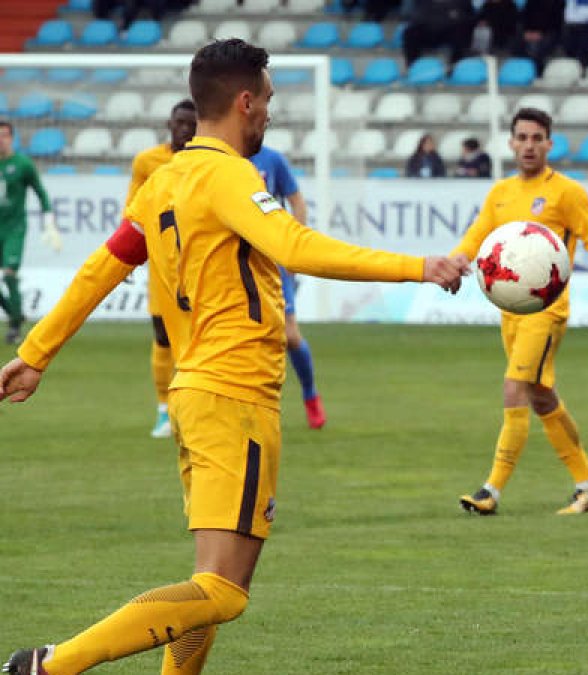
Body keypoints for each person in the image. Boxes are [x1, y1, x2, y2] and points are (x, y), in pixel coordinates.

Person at [0, 38, 468, 675]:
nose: (270, 113)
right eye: (268, 100)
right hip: (235, 394)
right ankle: (50, 665)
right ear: (245, 102)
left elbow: (103, 266)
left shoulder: (163, 181)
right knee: (223, 593)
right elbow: (296, 246)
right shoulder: (229, 176)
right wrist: (419, 266)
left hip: (196, 393)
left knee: (203, 589)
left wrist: (35, 353)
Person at [453, 107, 588, 517]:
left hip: (546, 312)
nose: (529, 145)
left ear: (549, 144)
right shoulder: (500, 194)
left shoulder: (566, 193)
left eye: (537, 138)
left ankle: (490, 490)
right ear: (511, 142)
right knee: (541, 396)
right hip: (509, 311)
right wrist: (445, 266)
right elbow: (475, 239)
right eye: (522, 137)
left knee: (514, 388)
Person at [126, 99, 198, 438]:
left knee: (197, 336)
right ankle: (162, 410)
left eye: (190, 123)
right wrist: (125, 258)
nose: (184, 128)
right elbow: (133, 211)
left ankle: (189, 406)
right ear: (169, 124)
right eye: (179, 122)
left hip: (200, 263)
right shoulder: (147, 162)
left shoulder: (208, 162)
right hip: (161, 265)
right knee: (162, 336)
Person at [249, 145, 325, 429]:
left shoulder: (271, 159)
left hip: (273, 260)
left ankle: (310, 395)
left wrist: (295, 248)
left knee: (290, 335)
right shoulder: (224, 158)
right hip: (238, 262)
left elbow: (298, 202)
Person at [0, 120, 59, 346]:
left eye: (4, 135)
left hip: (14, 229)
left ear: (11, 138)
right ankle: (16, 314)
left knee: (8, 274)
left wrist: (48, 220)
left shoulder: (22, 164)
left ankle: (14, 327)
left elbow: (41, 193)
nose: (0, 139)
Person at [402, 0, 476, 66]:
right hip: (428, 30)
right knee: (410, 32)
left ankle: (455, 66)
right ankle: (413, 65)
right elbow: (418, 17)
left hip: (451, 30)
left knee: (462, 31)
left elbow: (469, 16)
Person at [517, 0, 565, 76]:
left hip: (549, 33)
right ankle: (520, 72)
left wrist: (540, 33)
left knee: (535, 47)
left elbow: (557, 23)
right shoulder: (531, 2)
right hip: (530, 32)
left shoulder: (557, 3)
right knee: (519, 42)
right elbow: (524, 17)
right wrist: (526, 32)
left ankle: (537, 73)